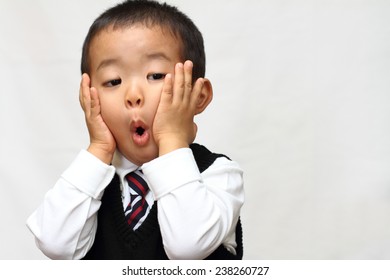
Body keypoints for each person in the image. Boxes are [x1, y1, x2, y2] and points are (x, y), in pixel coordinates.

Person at [26, 0, 244, 260]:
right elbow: (55, 245)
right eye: (113, 81)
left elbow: (188, 247)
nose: (132, 95)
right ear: (87, 97)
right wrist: (99, 148)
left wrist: (172, 140)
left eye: (155, 75)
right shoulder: (88, 185)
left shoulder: (218, 175)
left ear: (199, 95)